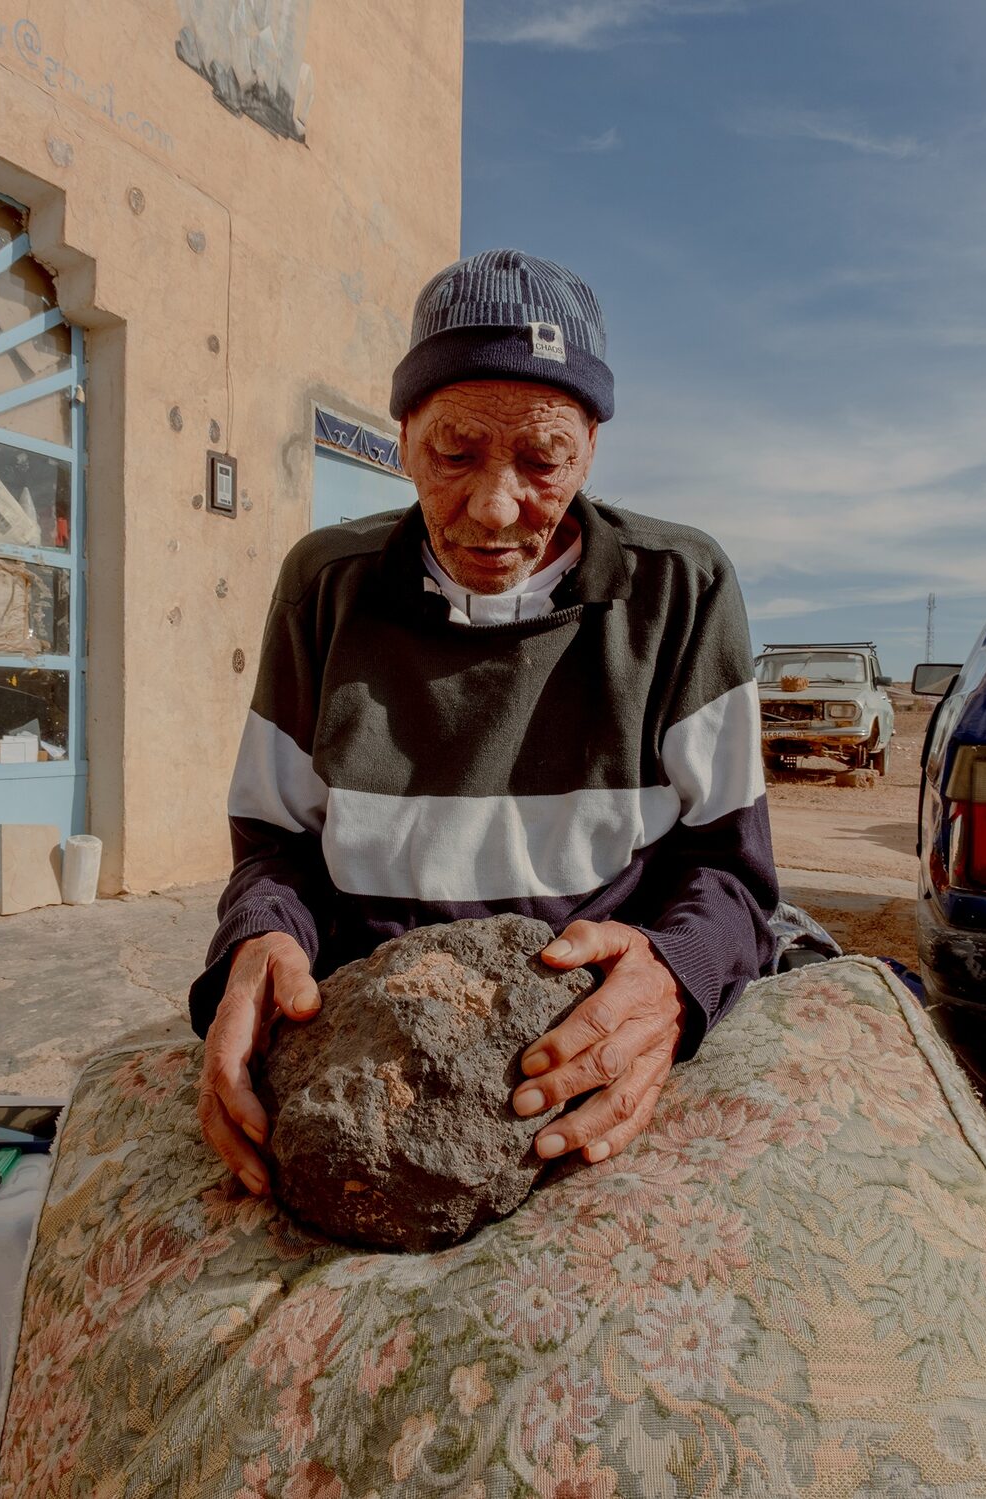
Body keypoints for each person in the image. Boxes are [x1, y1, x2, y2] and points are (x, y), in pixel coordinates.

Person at [190, 249, 778, 1198]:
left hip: (578, 1062)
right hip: (375, 1060)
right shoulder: (323, 590)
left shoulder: (681, 591)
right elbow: (275, 850)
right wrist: (260, 939)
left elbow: (730, 874)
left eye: (543, 459)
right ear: (403, 435)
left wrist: (674, 974)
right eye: (454, 452)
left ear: (590, 445)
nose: (495, 507)